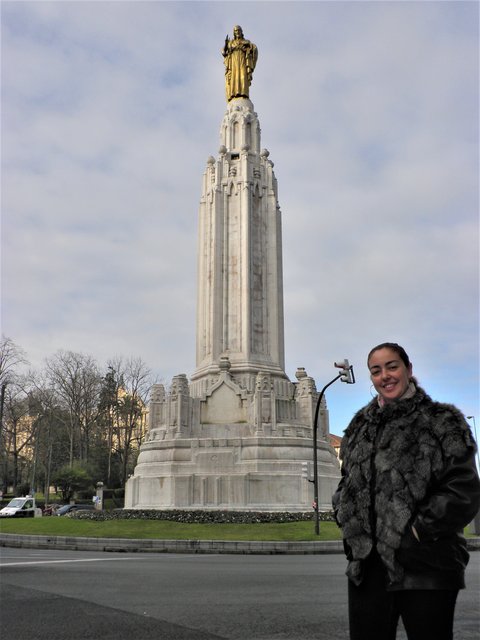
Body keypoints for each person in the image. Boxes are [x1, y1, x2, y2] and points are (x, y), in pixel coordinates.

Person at [332, 342, 480, 640]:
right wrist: (347, 518)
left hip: (426, 566)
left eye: (392, 366)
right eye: (376, 371)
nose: (384, 376)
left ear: (408, 369)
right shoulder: (359, 426)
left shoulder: (442, 421)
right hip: (368, 568)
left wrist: (414, 533)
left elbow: (463, 491)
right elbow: (348, 482)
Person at [222, 26, 258, 102]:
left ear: (241, 32)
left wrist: (248, 49)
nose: (237, 32)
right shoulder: (231, 43)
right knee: (234, 77)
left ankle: (243, 93)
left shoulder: (246, 42)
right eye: (235, 31)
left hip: (242, 60)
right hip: (233, 62)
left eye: (238, 31)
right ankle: (233, 94)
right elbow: (224, 52)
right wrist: (226, 44)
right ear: (234, 33)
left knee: (243, 75)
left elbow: (253, 48)